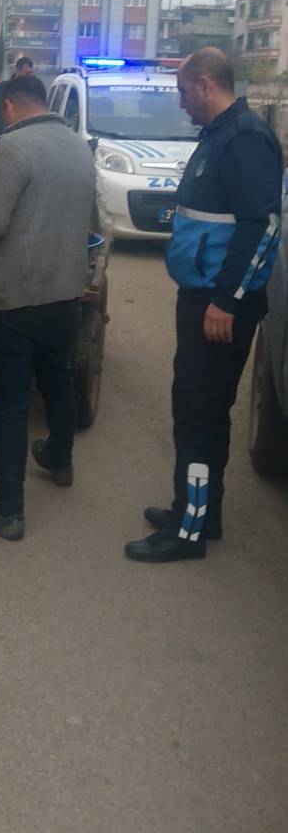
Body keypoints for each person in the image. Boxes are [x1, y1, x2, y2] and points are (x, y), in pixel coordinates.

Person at [124, 47, 283, 563]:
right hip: (203, 297)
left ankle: (186, 533)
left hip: (219, 306)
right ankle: (199, 512)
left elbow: (263, 227)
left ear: (206, 85)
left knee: (198, 413)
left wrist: (227, 301)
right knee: (201, 409)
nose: (182, 104)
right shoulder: (219, 135)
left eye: (183, 92)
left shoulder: (245, 139)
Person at [0, 76, 96, 540]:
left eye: (2, 111)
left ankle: (9, 510)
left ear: (12, 105)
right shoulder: (79, 148)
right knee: (58, 378)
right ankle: (60, 460)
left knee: (12, 400)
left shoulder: (11, 149)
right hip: (65, 293)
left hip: (13, 298)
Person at [0, 55, 35, 139]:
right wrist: (0, 140)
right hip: (7, 138)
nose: (29, 77)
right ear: (17, 70)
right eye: (27, 73)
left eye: (31, 73)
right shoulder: (2, 89)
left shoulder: (33, 91)